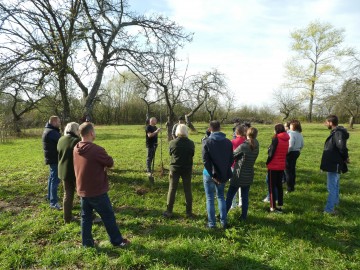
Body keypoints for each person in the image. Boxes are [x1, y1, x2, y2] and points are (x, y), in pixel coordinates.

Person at [73, 122, 129, 247]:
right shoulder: (97, 150)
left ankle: (87, 243)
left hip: (82, 189)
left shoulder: (76, 148)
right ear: (91, 133)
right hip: (97, 190)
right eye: (95, 131)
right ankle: (117, 241)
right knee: (108, 216)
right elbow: (110, 162)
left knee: (85, 217)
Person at [202, 120, 233, 228]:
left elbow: (205, 161)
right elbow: (231, 160)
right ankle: (223, 222)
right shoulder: (228, 142)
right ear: (220, 128)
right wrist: (222, 171)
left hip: (209, 174)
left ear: (210, 129)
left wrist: (212, 175)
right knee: (220, 197)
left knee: (210, 198)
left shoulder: (206, 141)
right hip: (222, 174)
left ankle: (212, 224)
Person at [226, 127, 259, 220]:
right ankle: (243, 216)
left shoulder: (244, 146)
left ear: (247, 134)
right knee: (245, 197)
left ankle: (223, 214)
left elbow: (232, 156)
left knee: (230, 195)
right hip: (249, 173)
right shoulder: (257, 144)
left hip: (238, 174)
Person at [163, 124, 195, 218]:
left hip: (175, 168)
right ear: (186, 131)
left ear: (177, 131)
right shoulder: (191, 143)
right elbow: (192, 154)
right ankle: (189, 212)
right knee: (187, 190)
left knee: (172, 189)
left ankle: (169, 211)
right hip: (187, 168)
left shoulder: (172, 143)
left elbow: (170, 153)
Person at [320, 115, 350, 215]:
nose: (325, 124)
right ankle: (335, 202)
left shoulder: (338, 133)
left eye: (326, 122)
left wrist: (345, 157)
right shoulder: (336, 132)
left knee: (331, 187)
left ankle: (329, 209)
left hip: (334, 163)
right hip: (334, 163)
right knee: (335, 184)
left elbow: (342, 147)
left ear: (331, 123)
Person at [57, 122, 81, 223]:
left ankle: (67, 218)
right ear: (76, 130)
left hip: (63, 170)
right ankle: (89, 215)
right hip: (74, 171)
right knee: (82, 194)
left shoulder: (61, 139)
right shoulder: (76, 141)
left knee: (67, 194)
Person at [266, 123, 290, 213]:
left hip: (273, 165)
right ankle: (280, 205)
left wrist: (267, 161)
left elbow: (271, 153)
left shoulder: (276, 138)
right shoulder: (286, 138)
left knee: (271, 186)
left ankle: (272, 207)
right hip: (281, 164)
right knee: (279, 186)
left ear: (277, 130)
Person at [42, 115, 62, 210]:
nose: (59, 124)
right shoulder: (52, 132)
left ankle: (49, 196)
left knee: (51, 177)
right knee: (55, 179)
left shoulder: (48, 130)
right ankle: (53, 202)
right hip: (55, 159)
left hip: (51, 158)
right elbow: (61, 142)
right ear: (54, 122)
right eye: (58, 122)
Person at [230, 125, 247, 209]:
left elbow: (231, 154)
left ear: (236, 133)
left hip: (234, 165)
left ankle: (233, 203)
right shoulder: (246, 141)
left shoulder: (233, 141)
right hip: (244, 165)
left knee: (233, 185)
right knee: (241, 185)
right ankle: (241, 202)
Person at [285, 120, 304, 192]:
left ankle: (290, 188)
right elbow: (302, 145)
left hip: (290, 153)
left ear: (294, 126)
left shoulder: (291, 134)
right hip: (297, 152)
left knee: (288, 171)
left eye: (291, 125)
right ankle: (293, 184)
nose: (289, 126)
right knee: (292, 169)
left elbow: (291, 145)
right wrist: (298, 150)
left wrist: (286, 153)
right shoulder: (300, 134)